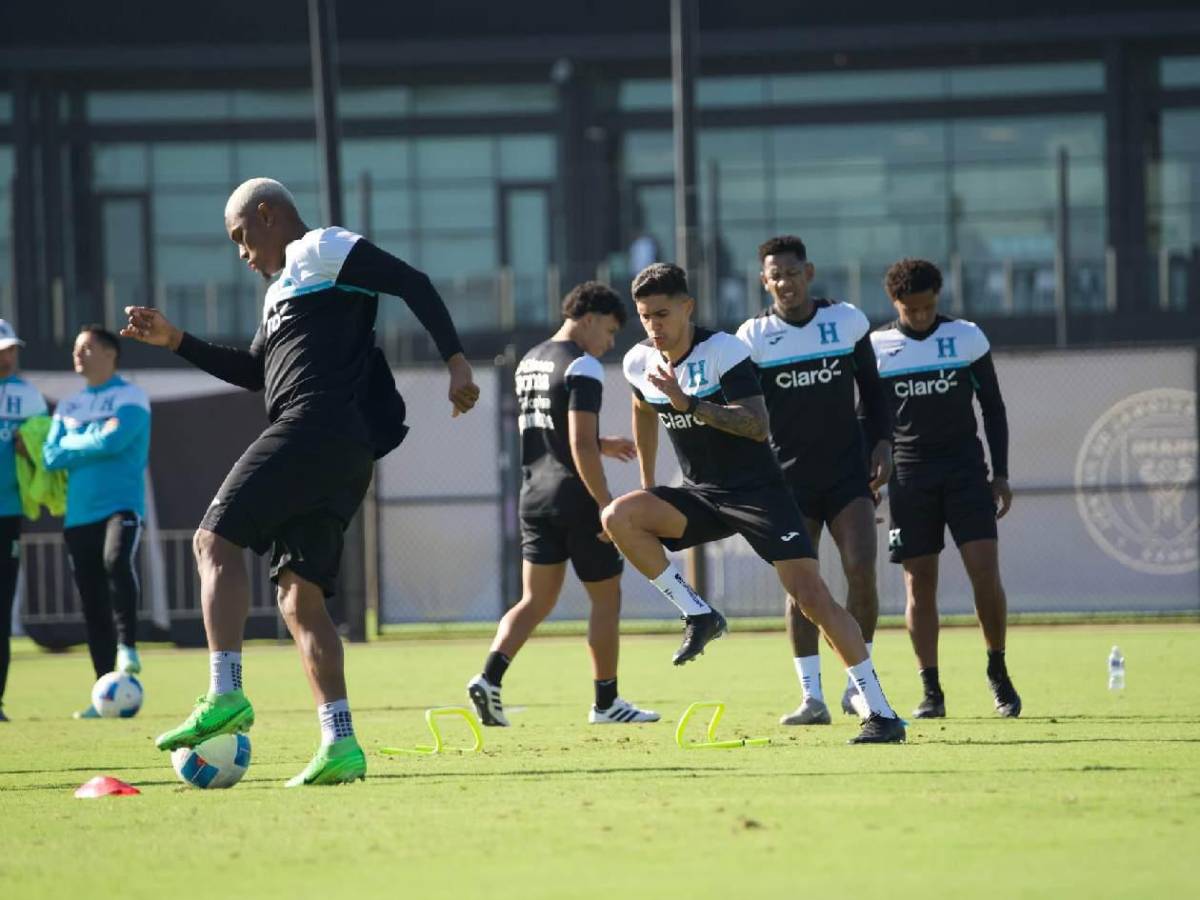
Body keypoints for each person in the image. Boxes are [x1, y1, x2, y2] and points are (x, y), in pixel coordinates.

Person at [121, 177, 479, 786]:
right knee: (298, 596)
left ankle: (224, 692)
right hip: (342, 453)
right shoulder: (281, 293)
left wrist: (456, 360)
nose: (242, 254)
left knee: (211, 542)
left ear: (268, 216)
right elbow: (257, 370)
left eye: (241, 237)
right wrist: (175, 340)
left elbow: (412, 282)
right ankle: (340, 743)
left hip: (314, 429)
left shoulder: (321, 248)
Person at [601, 263, 905, 744]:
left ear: (687, 308)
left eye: (662, 314)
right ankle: (698, 614)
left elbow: (757, 425)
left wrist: (691, 405)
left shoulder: (724, 349)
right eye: (644, 317)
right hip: (702, 496)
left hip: (760, 494)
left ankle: (882, 713)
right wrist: (646, 482)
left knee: (813, 598)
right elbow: (642, 406)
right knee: (619, 515)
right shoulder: (638, 360)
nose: (654, 326)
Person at [467, 282, 659, 727]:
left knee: (534, 600)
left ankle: (489, 678)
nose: (609, 344)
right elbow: (577, 445)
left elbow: (551, 433)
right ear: (588, 318)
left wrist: (599, 441)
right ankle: (606, 702)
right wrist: (607, 506)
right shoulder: (583, 365)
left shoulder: (530, 360)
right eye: (609, 332)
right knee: (607, 599)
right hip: (576, 497)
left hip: (534, 494)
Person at [736, 236, 892, 726]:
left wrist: (883, 443)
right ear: (765, 281)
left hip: (847, 474)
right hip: (787, 481)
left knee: (861, 568)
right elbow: (742, 411)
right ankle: (812, 698)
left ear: (809, 273)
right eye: (774, 275)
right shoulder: (752, 337)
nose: (784, 282)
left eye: (791, 272)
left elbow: (872, 389)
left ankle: (858, 686)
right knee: (802, 590)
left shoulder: (845, 320)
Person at [871, 258, 1020, 718]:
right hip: (910, 478)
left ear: (939, 298)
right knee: (919, 583)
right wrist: (871, 471)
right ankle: (931, 690)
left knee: (984, 572)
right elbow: (868, 419)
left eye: (929, 307)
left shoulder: (967, 338)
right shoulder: (877, 346)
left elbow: (993, 408)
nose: (920, 316)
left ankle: (997, 669)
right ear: (895, 303)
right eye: (911, 309)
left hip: (964, 471)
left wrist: (1000, 474)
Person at [43, 325, 150, 718]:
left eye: (86, 347)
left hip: (121, 505)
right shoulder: (69, 406)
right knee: (91, 601)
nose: (78, 354)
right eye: (75, 348)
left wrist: (79, 443)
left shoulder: (131, 396)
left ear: (109, 353)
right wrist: (92, 436)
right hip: (79, 514)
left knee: (115, 562)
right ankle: (104, 691)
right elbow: (51, 456)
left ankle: (129, 647)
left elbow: (116, 442)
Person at [0, 320, 49, 722]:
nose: (7, 356)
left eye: (11, 348)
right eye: (1, 349)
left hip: (9, 514)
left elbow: (44, 455)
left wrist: (29, 445)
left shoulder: (29, 397)